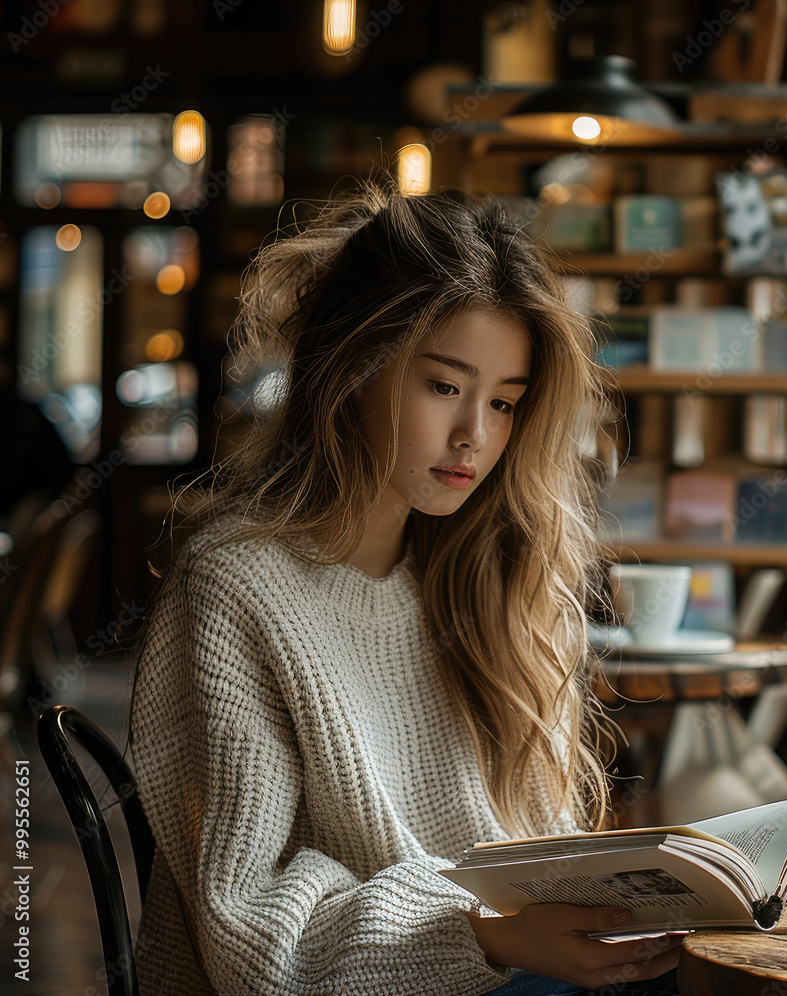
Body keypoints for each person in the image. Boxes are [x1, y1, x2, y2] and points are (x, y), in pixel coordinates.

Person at [127, 184, 683, 995]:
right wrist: (483, 934)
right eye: (445, 387)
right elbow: (249, 936)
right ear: (355, 366)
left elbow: (533, 853)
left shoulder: (488, 581)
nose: (475, 436)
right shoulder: (237, 588)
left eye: (503, 403)